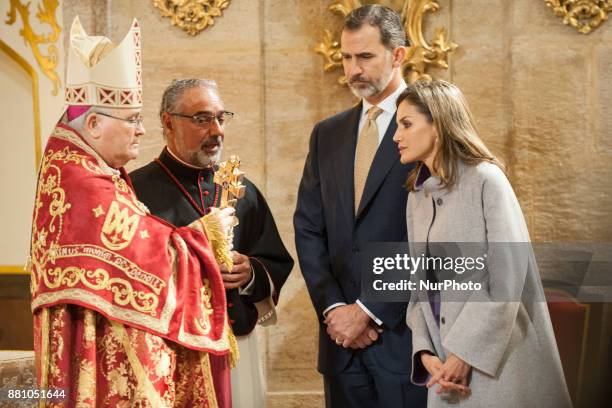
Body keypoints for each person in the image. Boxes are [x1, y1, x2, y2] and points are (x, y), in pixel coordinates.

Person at [29, 17, 236, 407]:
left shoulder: (84, 164)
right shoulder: (81, 179)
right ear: (93, 123)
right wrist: (200, 236)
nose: (140, 131)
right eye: (132, 120)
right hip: (101, 350)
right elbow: (137, 253)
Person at [394, 79, 572, 407]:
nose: (397, 136)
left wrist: (464, 353)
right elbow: (418, 287)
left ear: (439, 124)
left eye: (406, 124)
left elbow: (508, 280)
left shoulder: (487, 180)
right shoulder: (416, 196)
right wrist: (425, 351)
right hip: (444, 370)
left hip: (501, 364)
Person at [294, 4, 427, 408]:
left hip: (405, 337)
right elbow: (308, 226)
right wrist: (335, 308)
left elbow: (434, 234)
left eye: (366, 57)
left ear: (399, 54)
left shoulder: (430, 124)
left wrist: (369, 310)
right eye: (347, 57)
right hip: (340, 344)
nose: (354, 69)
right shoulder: (327, 133)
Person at [130, 78, 293, 407]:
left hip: (238, 348)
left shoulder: (241, 190)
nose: (217, 130)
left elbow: (275, 260)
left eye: (221, 118)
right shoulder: (136, 192)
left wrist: (250, 275)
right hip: (171, 350)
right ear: (168, 122)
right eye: (202, 119)